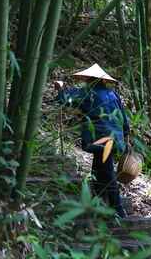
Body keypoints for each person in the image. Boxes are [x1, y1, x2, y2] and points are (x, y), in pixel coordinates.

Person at [54, 64, 129, 218]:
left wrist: (60, 89)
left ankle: (118, 209)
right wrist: (125, 137)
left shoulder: (87, 93)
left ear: (90, 79)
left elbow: (64, 99)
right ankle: (99, 203)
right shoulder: (113, 95)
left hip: (101, 140)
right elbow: (124, 120)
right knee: (98, 169)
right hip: (115, 139)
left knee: (107, 172)